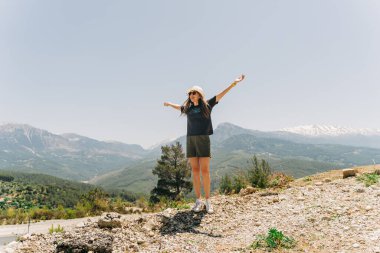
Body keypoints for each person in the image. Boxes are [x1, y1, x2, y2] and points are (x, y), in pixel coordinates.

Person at [163, 74, 245, 213]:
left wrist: (234, 83)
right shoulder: (188, 108)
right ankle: (198, 200)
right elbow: (179, 107)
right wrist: (170, 104)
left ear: (200, 95)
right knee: (195, 171)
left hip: (203, 140)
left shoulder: (207, 105)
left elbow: (221, 94)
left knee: (205, 171)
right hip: (191, 140)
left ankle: (208, 201)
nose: (191, 95)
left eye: (194, 93)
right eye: (190, 93)